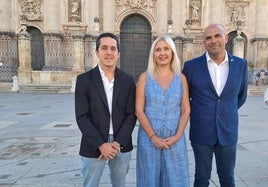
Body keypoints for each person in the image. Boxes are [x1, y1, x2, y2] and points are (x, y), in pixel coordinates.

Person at [182, 23, 248, 187]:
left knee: (227, 179)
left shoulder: (241, 65)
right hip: (201, 133)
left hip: (228, 131)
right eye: (208, 38)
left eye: (217, 36)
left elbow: (240, 96)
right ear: (204, 42)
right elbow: (185, 98)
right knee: (201, 178)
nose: (213, 41)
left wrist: (225, 112)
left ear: (226, 38)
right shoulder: (191, 66)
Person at [75, 32, 137, 187]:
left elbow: (131, 114)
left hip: (121, 145)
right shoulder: (84, 80)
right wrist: (101, 144)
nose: (109, 52)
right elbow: (82, 117)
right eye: (104, 48)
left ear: (118, 53)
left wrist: (116, 143)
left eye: (113, 48)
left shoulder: (128, 80)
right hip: (93, 143)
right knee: (90, 184)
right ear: (97, 52)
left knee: (119, 184)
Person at [135, 35, 190, 186]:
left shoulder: (181, 78)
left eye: (166, 49)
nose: (162, 53)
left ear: (172, 52)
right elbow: (139, 110)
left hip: (175, 139)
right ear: (153, 54)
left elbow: (186, 110)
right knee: (149, 179)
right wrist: (153, 137)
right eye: (158, 50)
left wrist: (178, 135)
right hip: (148, 139)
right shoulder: (145, 78)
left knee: (176, 178)